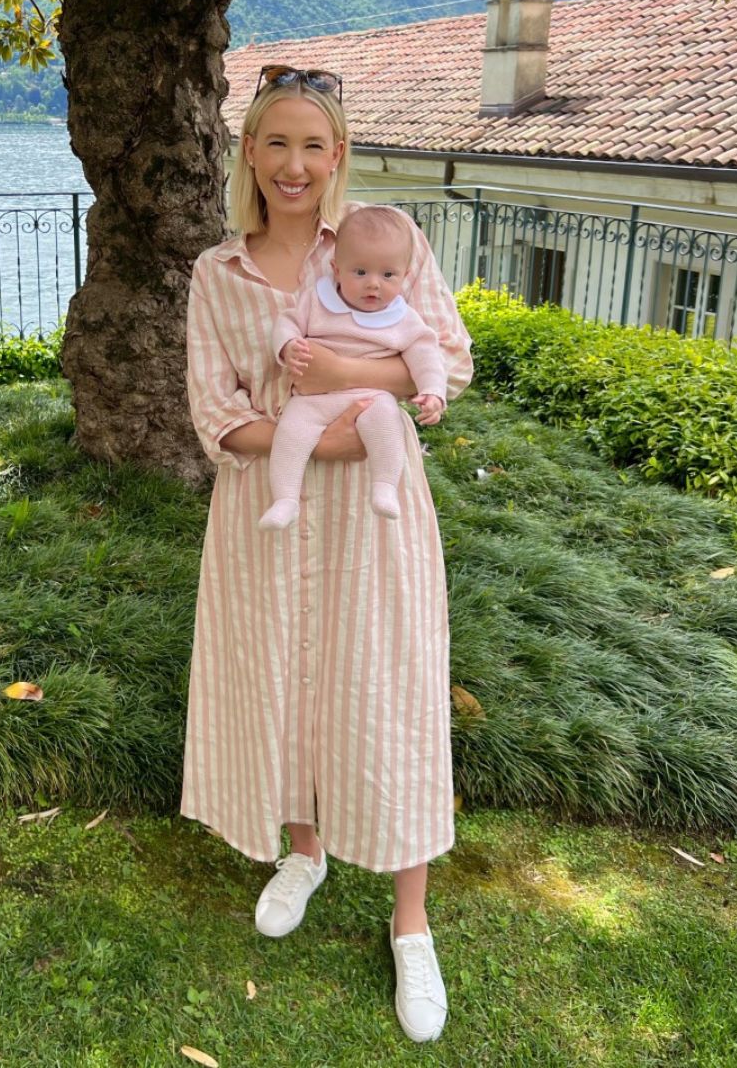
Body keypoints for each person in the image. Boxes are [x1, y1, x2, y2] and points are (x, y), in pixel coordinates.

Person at [182, 63, 473, 1044]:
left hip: (375, 521)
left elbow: (449, 359)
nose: (295, 164)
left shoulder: (386, 244)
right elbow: (215, 413)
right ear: (250, 154)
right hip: (268, 505)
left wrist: (349, 382)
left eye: (314, 145)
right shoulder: (215, 275)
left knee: (386, 689)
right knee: (285, 675)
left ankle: (410, 921)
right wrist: (331, 432)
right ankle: (301, 850)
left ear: (337, 155)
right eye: (277, 143)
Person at [259, 204, 448, 530]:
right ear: (336, 269)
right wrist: (288, 345)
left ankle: (385, 486)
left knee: (387, 418)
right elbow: (286, 323)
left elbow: (426, 354)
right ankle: (285, 500)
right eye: (360, 272)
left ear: (404, 276)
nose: (373, 284)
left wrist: (433, 391)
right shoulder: (317, 301)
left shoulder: (402, 318)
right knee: (291, 430)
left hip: (370, 397)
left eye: (388, 275)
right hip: (312, 399)